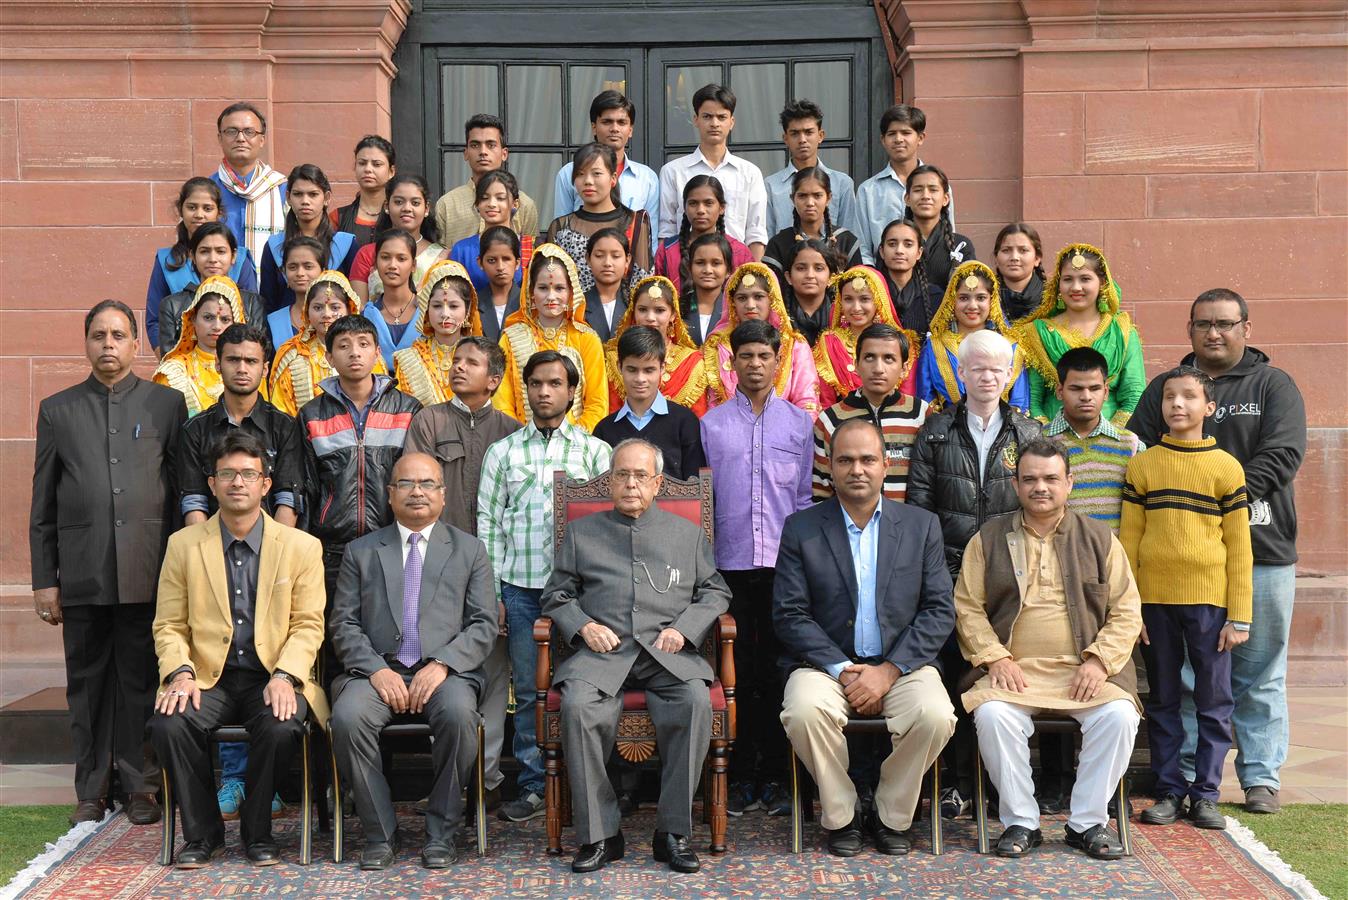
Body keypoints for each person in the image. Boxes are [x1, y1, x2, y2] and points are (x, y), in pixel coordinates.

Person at [1127, 288, 1306, 816]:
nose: (1214, 332)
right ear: (1189, 330)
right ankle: (1181, 780)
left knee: (1258, 670)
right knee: (1186, 680)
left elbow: (1284, 454)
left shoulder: (1273, 385)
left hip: (1264, 550)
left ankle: (1260, 778)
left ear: (1246, 328)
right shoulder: (1166, 386)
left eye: (1225, 323)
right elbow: (1137, 450)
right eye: (1203, 323)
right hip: (1180, 568)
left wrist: (1216, 496)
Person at [30, 300, 186, 827]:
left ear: (137, 342)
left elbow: (178, 493)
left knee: (143, 681)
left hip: (149, 569)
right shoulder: (58, 409)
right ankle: (92, 788)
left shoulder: (167, 405)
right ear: (86, 343)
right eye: (99, 335)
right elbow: (43, 501)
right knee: (89, 684)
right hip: (82, 572)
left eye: (119, 335)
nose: (109, 345)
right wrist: (43, 581)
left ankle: (143, 785)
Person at [542, 438, 731, 873]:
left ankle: (673, 833)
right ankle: (601, 835)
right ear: (610, 482)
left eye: (640, 475)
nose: (630, 483)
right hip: (603, 655)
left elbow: (715, 590)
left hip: (666, 655)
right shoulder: (581, 533)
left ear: (658, 483)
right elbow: (556, 594)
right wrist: (583, 626)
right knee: (577, 707)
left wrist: (684, 630)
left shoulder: (687, 534)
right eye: (621, 475)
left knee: (693, 702)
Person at [775, 418, 957, 857]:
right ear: (830, 468)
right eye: (846, 460)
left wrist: (889, 671)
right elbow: (790, 614)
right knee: (802, 711)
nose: (857, 469)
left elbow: (939, 610)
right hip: (825, 665)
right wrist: (844, 670)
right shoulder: (802, 528)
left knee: (936, 714)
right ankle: (844, 814)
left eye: (867, 459)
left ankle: (892, 815)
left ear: (885, 465)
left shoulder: (920, 526)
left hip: (902, 665)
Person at [954, 439, 1142, 859]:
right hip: (1013, 672)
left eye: (1051, 478)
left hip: (1085, 672)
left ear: (1069, 483)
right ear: (1016, 484)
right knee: (993, 714)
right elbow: (967, 607)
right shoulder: (988, 538)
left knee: (1119, 716)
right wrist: (995, 657)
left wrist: (1099, 661)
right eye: (1031, 479)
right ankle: (1021, 821)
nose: (1041, 487)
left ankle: (1088, 823)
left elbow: (1127, 609)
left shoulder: (1099, 538)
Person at [148, 430, 326, 869]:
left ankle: (257, 830)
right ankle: (203, 833)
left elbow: (308, 624)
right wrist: (180, 673)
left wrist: (286, 676)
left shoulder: (302, 547)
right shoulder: (183, 545)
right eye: (227, 474)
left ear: (266, 484)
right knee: (170, 724)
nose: (237, 483)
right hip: (209, 677)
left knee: (282, 726)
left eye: (248, 474)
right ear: (211, 484)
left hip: (273, 676)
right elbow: (168, 624)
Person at [329, 453, 498, 870]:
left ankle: (442, 831)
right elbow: (343, 624)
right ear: (390, 495)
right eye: (406, 484)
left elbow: (483, 624)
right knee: (348, 719)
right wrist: (376, 669)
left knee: (460, 716)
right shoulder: (361, 551)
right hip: (377, 671)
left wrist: (441, 664)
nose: (417, 491)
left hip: (445, 672)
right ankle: (379, 832)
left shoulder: (469, 550)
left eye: (427, 484)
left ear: (443, 494)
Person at [907, 329, 1042, 819]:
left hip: (1010, 582)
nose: (987, 376)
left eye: (997, 369)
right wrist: (932, 579)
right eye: (977, 368)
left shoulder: (1029, 435)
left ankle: (998, 787)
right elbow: (920, 514)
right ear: (960, 373)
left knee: (1000, 683)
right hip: (946, 577)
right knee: (949, 684)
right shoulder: (937, 432)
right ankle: (952, 785)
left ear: (1010, 375)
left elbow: (1037, 512)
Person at [477, 351, 613, 824]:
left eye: (555, 383)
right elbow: (489, 527)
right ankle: (535, 785)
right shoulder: (504, 452)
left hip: (583, 596)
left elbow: (611, 526)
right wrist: (492, 593)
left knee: (585, 683)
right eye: (535, 383)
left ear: (573, 390)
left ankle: (584, 782)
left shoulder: (594, 452)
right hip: (521, 589)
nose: (544, 392)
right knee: (531, 689)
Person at [1122, 365, 1252, 831]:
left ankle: (1207, 794)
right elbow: (1130, 543)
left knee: (1214, 700)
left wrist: (1240, 616)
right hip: (1155, 603)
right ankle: (1169, 790)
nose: (1178, 405)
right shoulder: (1143, 465)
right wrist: (1131, 610)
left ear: (1208, 408)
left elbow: (1239, 548)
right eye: (1170, 397)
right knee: (1163, 698)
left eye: (1189, 397)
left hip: (1210, 604)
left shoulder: (1226, 468)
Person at [700, 319, 813, 816]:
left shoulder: (800, 424)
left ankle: (781, 775)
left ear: (777, 360)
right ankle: (743, 773)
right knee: (737, 675)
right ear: (732, 361)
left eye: (763, 356)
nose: (754, 364)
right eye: (745, 356)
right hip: (729, 567)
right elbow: (704, 502)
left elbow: (807, 498)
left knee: (783, 671)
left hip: (787, 568)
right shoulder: (711, 425)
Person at [404, 336, 519, 808]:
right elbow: (416, 491)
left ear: (493, 379)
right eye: (455, 360)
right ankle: (449, 779)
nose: (458, 367)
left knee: (494, 673)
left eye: (471, 362)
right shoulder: (428, 421)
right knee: (443, 673)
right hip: (439, 570)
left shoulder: (512, 430)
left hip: (495, 571)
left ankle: (486, 781)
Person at [297, 314, 422, 605]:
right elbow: (306, 488)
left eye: (363, 344)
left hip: (393, 543)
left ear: (377, 352)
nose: (354, 352)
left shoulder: (407, 409)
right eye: (343, 346)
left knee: (389, 634)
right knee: (337, 633)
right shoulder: (312, 415)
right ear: (329, 356)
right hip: (332, 548)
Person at [179, 324, 302, 527]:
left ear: (265, 369)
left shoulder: (284, 426)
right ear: (218, 364)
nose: (242, 369)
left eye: (251, 361)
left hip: (270, 546)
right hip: (212, 546)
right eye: (233, 360)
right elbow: (193, 501)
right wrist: (207, 553)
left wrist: (275, 552)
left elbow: (289, 498)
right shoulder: (195, 430)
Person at [1018, 243, 1144, 425]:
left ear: (1102, 283)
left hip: (1113, 443)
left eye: (1085, 279)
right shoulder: (1039, 332)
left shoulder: (1121, 331)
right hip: (1051, 443)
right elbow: (1033, 398)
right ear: (1058, 284)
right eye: (1068, 279)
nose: (1076, 287)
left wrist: (1110, 438)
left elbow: (1134, 394)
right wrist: (1050, 439)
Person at [493, 244, 608, 431]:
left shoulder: (586, 338)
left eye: (560, 288)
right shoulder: (511, 338)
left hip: (575, 446)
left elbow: (597, 403)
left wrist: (572, 441)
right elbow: (502, 401)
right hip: (521, 444)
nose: (551, 296)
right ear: (531, 292)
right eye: (543, 288)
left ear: (571, 292)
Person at [813, 323, 927, 503]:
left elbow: (928, 486)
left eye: (889, 358)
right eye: (869, 357)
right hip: (846, 527)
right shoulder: (830, 420)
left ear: (904, 368)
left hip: (907, 527)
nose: (878, 368)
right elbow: (821, 492)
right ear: (856, 364)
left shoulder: (920, 415)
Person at [146, 177, 258, 350]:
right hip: (182, 361)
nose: (199, 215)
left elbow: (251, 312)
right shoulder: (166, 260)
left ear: (218, 213)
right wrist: (168, 362)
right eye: (192, 207)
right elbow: (154, 321)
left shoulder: (240, 259)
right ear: (181, 210)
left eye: (207, 208)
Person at [658, 84, 768, 257]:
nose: (714, 123)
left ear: (731, 122)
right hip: (685, 268)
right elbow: (667, 230)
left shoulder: (750, 173)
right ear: (696, 120)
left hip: (737, 267)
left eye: (721, 117)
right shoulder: (673, 171)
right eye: (707, 116)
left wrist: (749, 276)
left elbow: (756, 232)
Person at [702, 262, 820, 419]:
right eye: (742, 298)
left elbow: (807, 402)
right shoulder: (716, 346)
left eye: (758, 297)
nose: (750, 305)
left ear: (772, 300)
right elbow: (711, 404)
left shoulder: (795, 345)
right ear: (732, 303)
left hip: (784, 435)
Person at [1045, 347, 1142, 533]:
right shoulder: (1038, 442)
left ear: (1106, 392)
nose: (1086, 397)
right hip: (1057, 556)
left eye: (1095, 388)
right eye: (1076, 389)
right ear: (1059, 391)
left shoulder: (1130, 444)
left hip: (1113, 558)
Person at [914, 261, 1030, 412]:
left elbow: (1019, 403)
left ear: (992, 301)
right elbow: (925, 400)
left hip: (1004, 430)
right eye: (963, 298)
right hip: (948, 430)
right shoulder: (935, 346)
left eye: (981, 298)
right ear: (951, 301)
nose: (972, 306)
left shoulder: (1012, 346)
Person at [269, 271, 387, 416]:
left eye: (335, 307)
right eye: (318, 308)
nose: (326, 314)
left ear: (350, 309)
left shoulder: (368, 353)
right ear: (307, 311)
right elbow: (280, 413)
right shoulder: (292, 355)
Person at [595, 326, 705, 480]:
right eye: (632, 370)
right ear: (619, 367)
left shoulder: (685, 422)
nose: (640, 379)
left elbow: (696, 488)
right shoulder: (604, 430)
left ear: (662, 368)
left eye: (649, 370)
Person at [553, 90, 660, 247]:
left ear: (630, 130)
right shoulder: (570, 172)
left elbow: (651, 238)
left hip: (630, 267)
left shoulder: (647, 178)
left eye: (621, 123)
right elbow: (560, 230)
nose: (614, 128)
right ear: (594, 127)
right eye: (607, 122)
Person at [544, 143, 653, 294]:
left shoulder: (635, 223)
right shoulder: (561, 227)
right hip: (573, 315)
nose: (588, 181)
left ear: (613, 178)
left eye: (596, 173)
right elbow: (551, 282)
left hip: (624, 314)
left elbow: (642, 282)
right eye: (580, 174)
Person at [856, 105, 955, 266]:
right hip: (884, 281)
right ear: (883, 140)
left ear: (920, 138)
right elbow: (864, 248)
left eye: (906, 133)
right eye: (892, 134)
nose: (898, 139)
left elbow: (950, 235)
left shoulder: (939, 186)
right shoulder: (868, 191)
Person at [259, 164, 359, 314]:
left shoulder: (345, 245)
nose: (305, 201)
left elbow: (355, 300)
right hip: (285, 331)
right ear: (288, 198)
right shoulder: (275, 246)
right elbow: (268, 302)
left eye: (313, 194)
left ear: (326, 198)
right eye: (298, 194)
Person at [603, 274, 709, 416]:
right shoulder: (613, 359)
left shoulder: (692, 362)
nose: (650, 318)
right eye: (642, 309)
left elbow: (698, 419)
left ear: (673, 315)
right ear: (633, 312)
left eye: (659, 310)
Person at [814, 265, 916, 408]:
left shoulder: (899, 342)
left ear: (878, 301)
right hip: (844, 422)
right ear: (840, 302)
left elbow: (907, 397)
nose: (856, 308)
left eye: (864, 299)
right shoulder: (830, 342)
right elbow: (825, 400)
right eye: (848, 299)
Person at [156, 223, 265, 356]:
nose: (213, 259)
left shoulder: (253, 303)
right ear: (192, 256)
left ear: (234, 256)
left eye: (221, 251)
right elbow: (170, 359)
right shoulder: (172, 305)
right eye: (204, 251)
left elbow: (258, 357)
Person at [435, 114, 539, 246]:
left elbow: (529, 257)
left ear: (504, 153)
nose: (483, 152)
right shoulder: (447, 205)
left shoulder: (524, 205)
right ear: (465, 153)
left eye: (491, 145)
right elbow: (439, 260)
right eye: (475, 145)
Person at [210, 102, 286, 279]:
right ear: (220, 138)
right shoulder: (206, 192)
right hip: (215, 296)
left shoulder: (283, 189)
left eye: (249, 132)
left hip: (270, 293)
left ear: (262, 140)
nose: (241, 138)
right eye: (231, 131)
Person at [392, 260, 483, 406]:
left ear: (468, 309)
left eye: (453, 306)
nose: (445, 314)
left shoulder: (482, 356)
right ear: (426, 310)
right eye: (437, 306)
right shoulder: (409, 359)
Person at [765, 99, 861, 237]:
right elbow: (768, 237)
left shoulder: (841, 183)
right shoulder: (771, 186)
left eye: (808, 132)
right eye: (795, 133)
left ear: (820, 136)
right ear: (785, 138)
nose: (802, 139)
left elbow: (849, 236)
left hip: (832, 257)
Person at [153, 276, 245, 416]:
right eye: (208, 318)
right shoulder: (174, 371)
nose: (217, 326)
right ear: (193, 320)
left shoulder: (249, 368)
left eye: (225, 319)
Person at [349, 174, 448, 304]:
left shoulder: (443, 256)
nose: (407, 208)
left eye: (415, 203)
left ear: (426, 209)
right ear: (386, 206)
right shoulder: (367, 254)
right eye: (398, 202)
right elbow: (358, 309)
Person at [656, 175, 755, 295]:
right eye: (693, 203)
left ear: (722, 208)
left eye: (708, 203)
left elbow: (749, 296)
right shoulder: (667, 250)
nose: (700, 210)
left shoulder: (739, 252)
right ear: (685, 207)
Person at [763, 167, 862, 284]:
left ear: (829, 198)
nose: (810, 203)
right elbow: (771, 292)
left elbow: (857, 289)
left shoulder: (846, 241)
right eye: (802, 196)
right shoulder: (779, 243)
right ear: (792, 199)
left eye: (817, 195)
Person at [448, 170, 534, 300]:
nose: (492, 204)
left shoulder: (529, 248)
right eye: (484, 198)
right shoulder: (462, 250)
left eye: (500, 198)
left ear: (515, 203)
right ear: (477, 204)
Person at [903, 165, 974, 295]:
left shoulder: (961, 245)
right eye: (918, 190)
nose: (925, 196)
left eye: (933, 190)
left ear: (946, 199)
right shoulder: (895, 244)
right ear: (907, 198)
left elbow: (969, 294)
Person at [361, 230, 425, 368]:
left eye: (401, 259)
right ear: (376, 263)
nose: (392, 265)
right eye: (385, 257)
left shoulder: (428, 314)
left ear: (413, 265)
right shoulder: (366, 316)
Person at [874, 219, 937, 341]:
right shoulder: (870, 293)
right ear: (882, 251)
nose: (899, 251)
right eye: (892, 244)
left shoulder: (935, 296)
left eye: (908, 244)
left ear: (919, 252)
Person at [331, 135, 397, 247]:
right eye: (362, 163)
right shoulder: (338, 217)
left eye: (376, 164)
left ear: (391, 171)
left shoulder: (400, 214)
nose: (368, 169)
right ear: (355, 167)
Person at [264, 236, 326, 350]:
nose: (300, 273)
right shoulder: (273, 322)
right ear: (284, 272)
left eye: (308, 266)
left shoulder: (334, 317)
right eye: (293, 267)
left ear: (323, 271)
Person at [779, 239, 841, 348]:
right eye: (801, 268)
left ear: (831, 277)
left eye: (818, 268)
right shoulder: (778, 316)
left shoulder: (841, 316)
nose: (810, 275)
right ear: (788, 277)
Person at [679, 232, 734, 346]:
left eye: (716, 263)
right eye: (700, 263)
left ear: (728, 270)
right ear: (690, 268)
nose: (708, 270)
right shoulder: (677, 308)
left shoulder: (734, 309)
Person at [473, 225, 524, 343]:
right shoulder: (473, 304)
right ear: (480, 263)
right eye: (492, 260)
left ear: (517, 263)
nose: (500, 267)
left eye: (506, 259)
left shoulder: (528, 303)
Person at [582, 227, 634, 342]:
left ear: (627, 260)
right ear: (588, 259)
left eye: (615, 256)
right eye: (599, 256)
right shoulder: (578, 305)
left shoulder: (636, 303)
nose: (607, 263)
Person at [992, 223, 1046, 325]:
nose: (1014, 257)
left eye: (1023, 250)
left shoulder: (1051, 298)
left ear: (1037, 258)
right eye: (1006, 250)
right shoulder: (985, 297)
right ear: (996, 258)